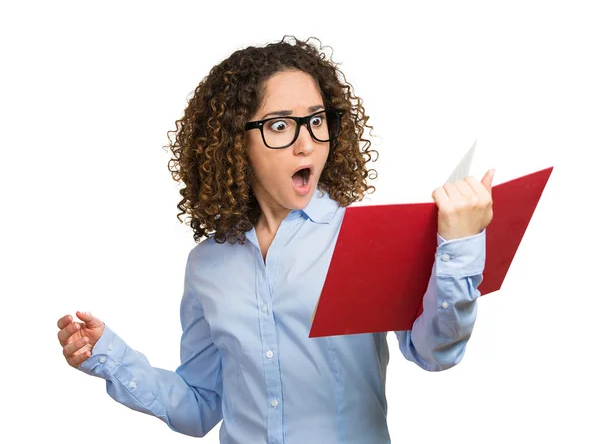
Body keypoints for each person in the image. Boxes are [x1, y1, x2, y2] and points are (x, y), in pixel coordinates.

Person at [56, 35, 494, 443]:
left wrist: (459, 246)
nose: (306, 144)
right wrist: (110, 356)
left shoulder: (362, 238)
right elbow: (202, 404)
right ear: (234, 142)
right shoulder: (208, 265)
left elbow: (435, 351)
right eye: (281, 125)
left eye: (317, 120)